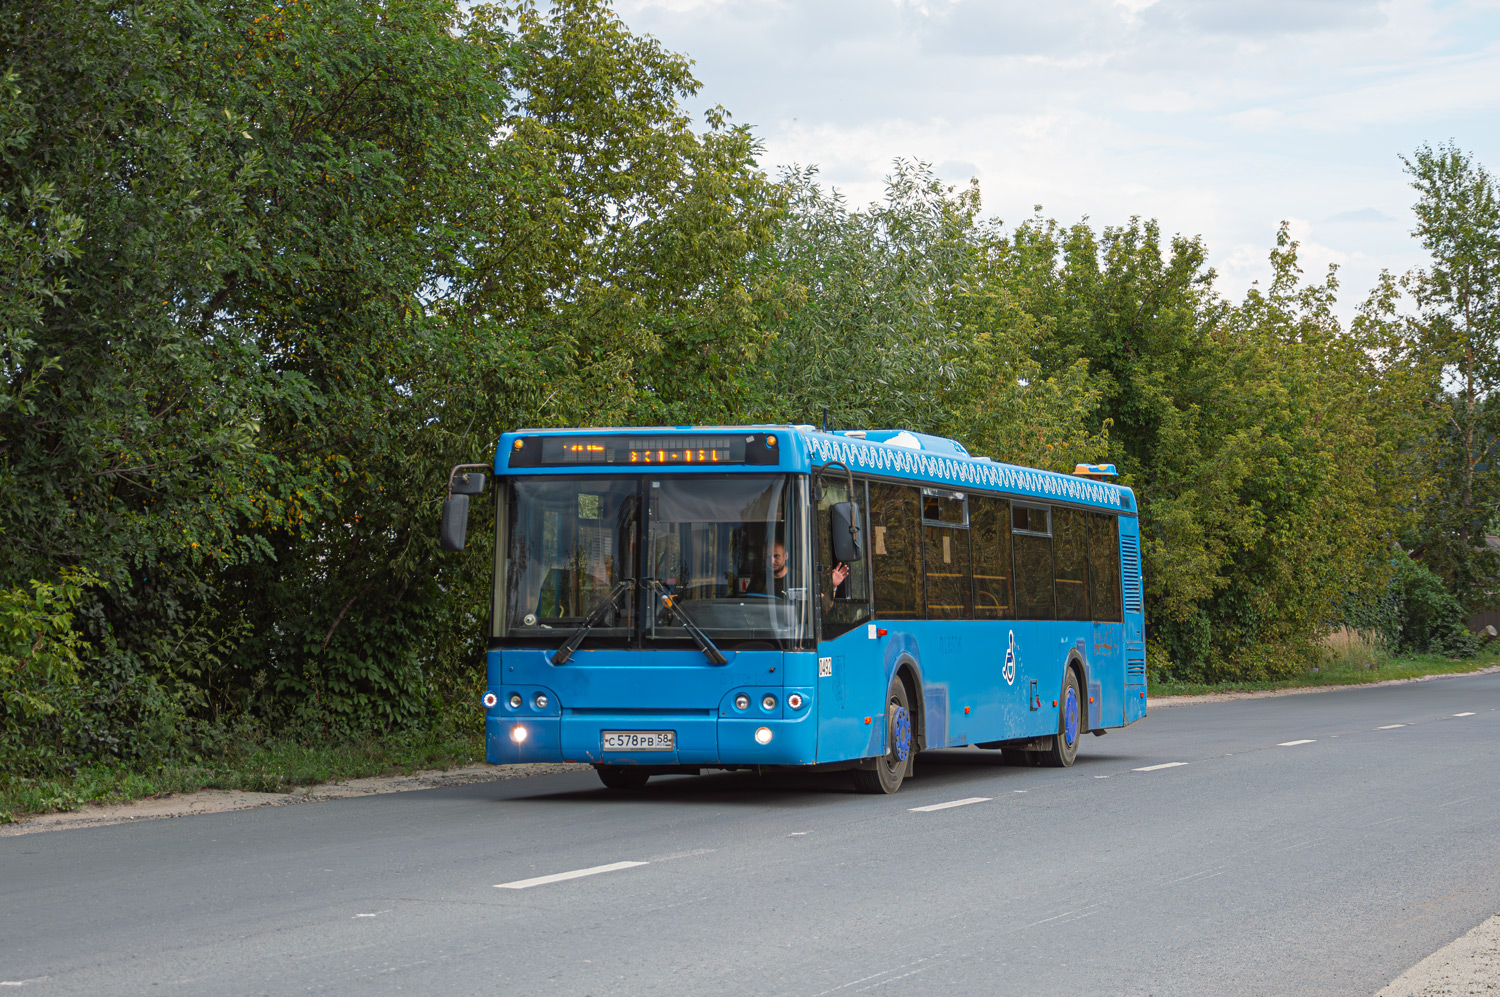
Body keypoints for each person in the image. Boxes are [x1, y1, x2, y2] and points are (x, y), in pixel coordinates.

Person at [750, 540, 850, 604]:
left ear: (786, 556)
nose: (772, 561)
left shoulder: (801, 579)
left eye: (776, 556)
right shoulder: (757, 582)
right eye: (768, 557)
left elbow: (825, 606)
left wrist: (833, 586)